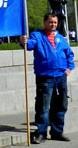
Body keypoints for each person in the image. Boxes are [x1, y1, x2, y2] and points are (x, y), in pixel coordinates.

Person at [20, 13, 74, 144]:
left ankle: (57, 132)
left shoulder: (60, 38)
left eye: (55, 22)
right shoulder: (37, 36)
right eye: (50, 22)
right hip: (45, 77)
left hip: (60, 77)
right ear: (44, 22)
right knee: (43, 106)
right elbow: (29, 45)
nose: (53, 25)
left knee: (61, 105)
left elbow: (69, 54)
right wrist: (23, 40)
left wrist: (69, 68)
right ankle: (41, 133)